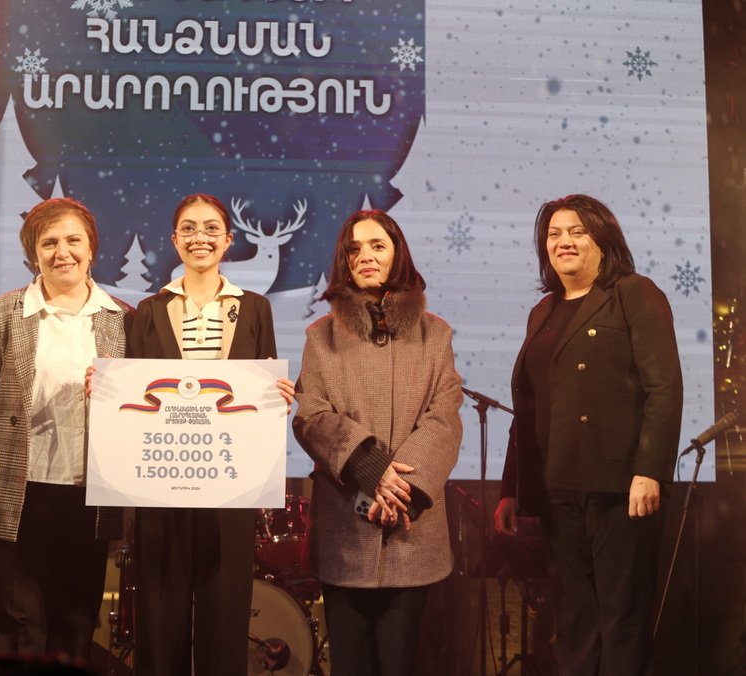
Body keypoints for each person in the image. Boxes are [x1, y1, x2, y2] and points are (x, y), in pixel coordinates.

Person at [493, 194, 684, 676]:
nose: (564, 242)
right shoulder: (542, 311)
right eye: (554, 234)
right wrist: (511, 490)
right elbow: (528, 409)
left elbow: (664, 388)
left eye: (577, 231)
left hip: (620, 490)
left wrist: (650, 470)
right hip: (557, 489)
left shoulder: (634, 293)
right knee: (574, 623)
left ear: (603, 239)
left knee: (622, 622)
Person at [0, 197, 133, 658]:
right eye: (49, 243)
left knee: (75, 620)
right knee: (12, 623)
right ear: (33, 253)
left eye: (73, 240)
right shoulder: (4, 311)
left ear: (92, 249)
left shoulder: (124, 318)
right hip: (13, 489)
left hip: (88, 493)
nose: (62, 252)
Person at [126, 193, 294, 676]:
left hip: (230, 484)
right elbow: (134, 393)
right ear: (174, 239)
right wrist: (109, 388)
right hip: (161, 483)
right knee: (160, 618)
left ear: (228, 239)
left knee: (225, 616)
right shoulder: (149, 310)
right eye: (189, 228)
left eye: (211, 228)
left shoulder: (255, 308)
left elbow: (261, 389)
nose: (200, 237)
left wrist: (276, 395)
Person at [292, 209, 464, 676]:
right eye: (354, 249)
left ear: (397, 254)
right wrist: (373, 473)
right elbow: (310, 416)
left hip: (412, 527)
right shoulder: (320, 337)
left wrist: (400, 490)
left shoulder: (436, 334)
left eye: (377, 246)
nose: (365, 256)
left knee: (403, 662)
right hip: (344, 532)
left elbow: (444, 418)